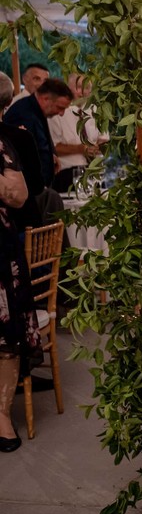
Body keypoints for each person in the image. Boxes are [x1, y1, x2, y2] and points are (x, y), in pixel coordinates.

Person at [0, 71, 42, 454]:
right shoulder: (12, 137)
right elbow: (22, 195)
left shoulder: (11, 138)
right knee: (5, 328)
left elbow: (20, 194)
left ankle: (2, 416)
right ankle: (2, 417)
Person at [3, 77, 73, 190]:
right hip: (29, 190)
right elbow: (21, 156)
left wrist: (49, 156)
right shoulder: (23, 114)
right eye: (60, 108)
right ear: (45, 99)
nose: (61, 114)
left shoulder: (36, 111)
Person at [49, 74, 107, 193]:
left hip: (95, 171)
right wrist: (81, 149)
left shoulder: (98, 111)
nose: (83, 92)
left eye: (87, 88)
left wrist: (99, 147)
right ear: (68, 88)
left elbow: (105, 140)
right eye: (79, 87)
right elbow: (53, 148)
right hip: (67, 173)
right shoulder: (58, 112)